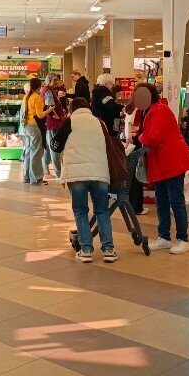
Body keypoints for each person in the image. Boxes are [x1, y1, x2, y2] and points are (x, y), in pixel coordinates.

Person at [134, 83, 189, 253]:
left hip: (172, 162)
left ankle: (183, 239)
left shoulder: (160, 110)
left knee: (176, 201)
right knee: (161, 201)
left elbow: (154, 137)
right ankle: (164, 237)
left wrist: (140, 137)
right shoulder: (149, 111)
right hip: (161, 163)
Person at [58, 97, 117, 263]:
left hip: (77, 174)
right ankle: (108, 250)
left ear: (72, 109)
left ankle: (86, 251)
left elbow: (56, 145)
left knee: (80, 211)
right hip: (99, 172)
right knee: (102, 210)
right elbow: (110, 143)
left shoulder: (70, 121)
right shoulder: (100, 122)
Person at [22, 77, 52, 185]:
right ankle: (36, 178)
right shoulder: (37, 98)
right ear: (39, 86)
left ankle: (26, 177)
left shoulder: (26, 96)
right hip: (34, 126)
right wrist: (49, 110)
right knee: (36, 153)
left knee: (28, 152)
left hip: (26, 126)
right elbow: (40, 115)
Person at [122, 100, 148, 215]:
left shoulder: (130, 107)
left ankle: (132, 205)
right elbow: (139, 128)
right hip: (137, 142)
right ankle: (137, 207)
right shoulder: (139, 109)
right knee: (138, 174)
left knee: (132, 176)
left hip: (130, 143)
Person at [42, 74, 67, 178]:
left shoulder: (48, 90)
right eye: (54, 80)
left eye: (57, 80)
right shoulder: (48, 91)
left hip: (49, 123)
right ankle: (58, 173)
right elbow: (50, 107)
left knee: (48, 147)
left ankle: (46, 169)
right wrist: (56, 116)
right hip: (53, 124)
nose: (56, 82)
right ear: (49, 81)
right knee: (54, 147)